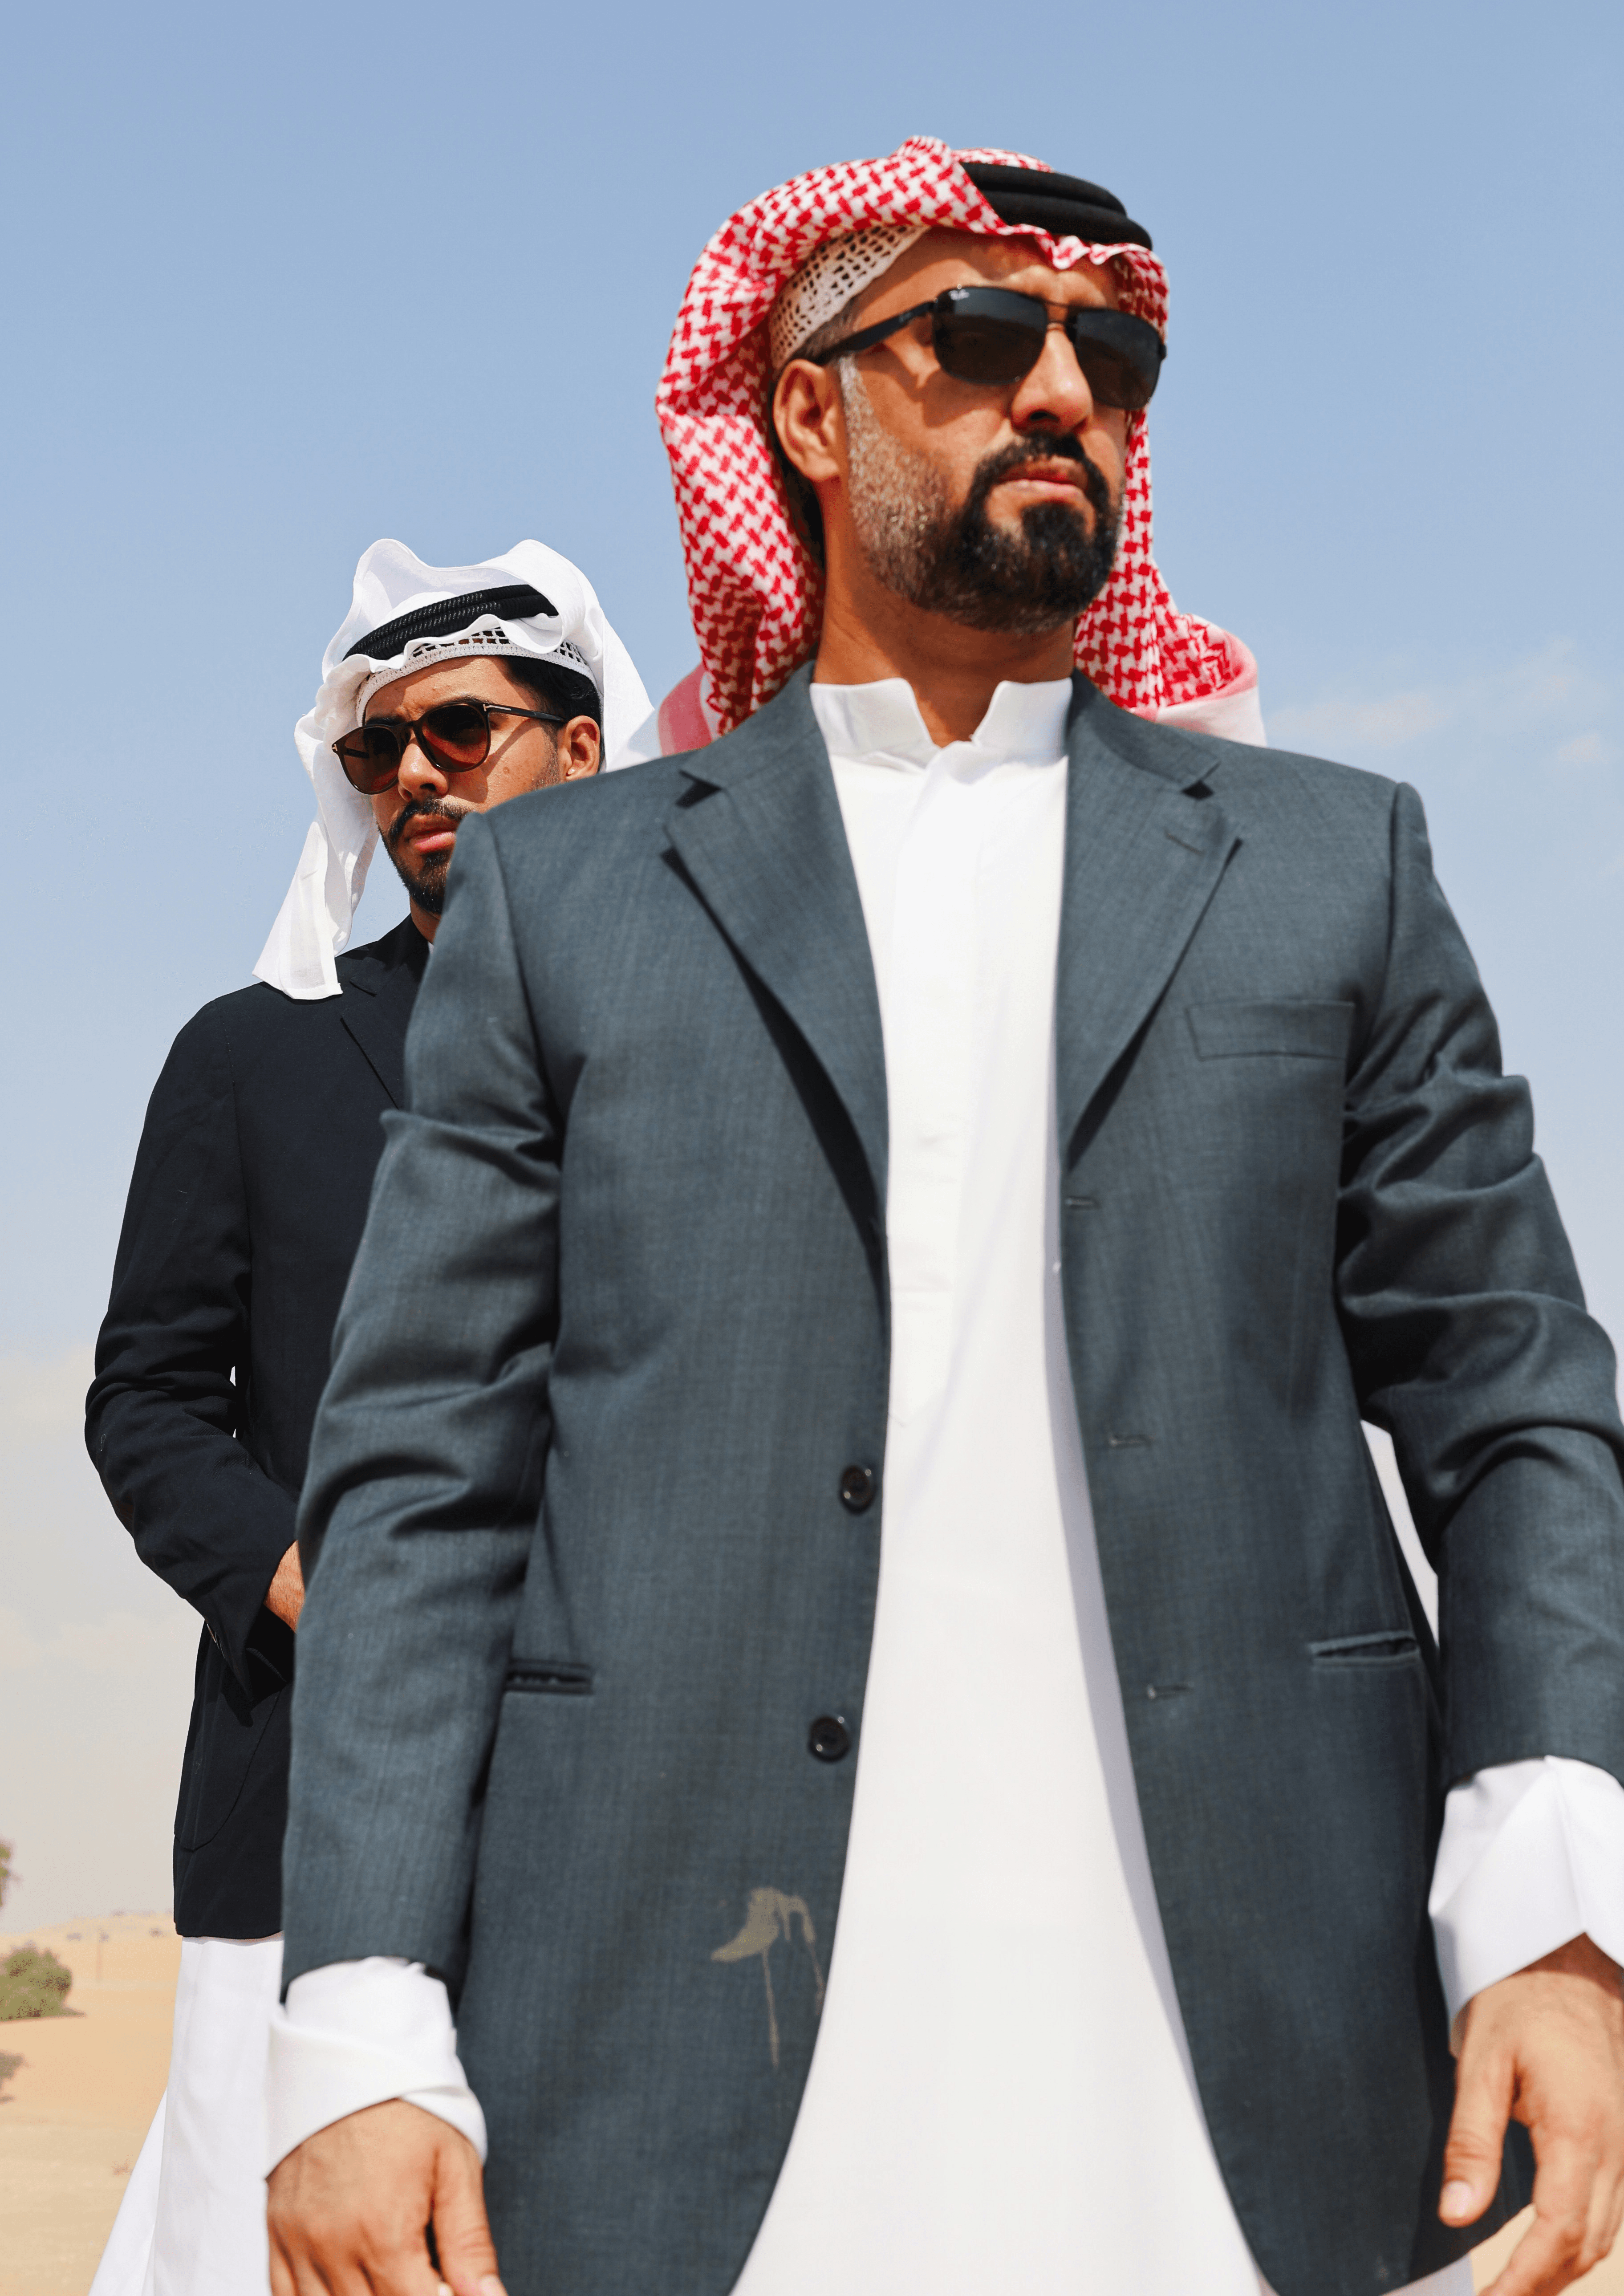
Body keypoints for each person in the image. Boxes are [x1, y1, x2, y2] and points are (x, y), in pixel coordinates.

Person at [267, 143, 1624, 2296]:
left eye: (1117, 350)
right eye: (982, 338)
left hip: (1258, 2035)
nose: (1064, 386)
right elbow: (426, 1479)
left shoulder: (1326, 867)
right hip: (691, 2023)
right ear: (804, 411)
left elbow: (1518, 1400)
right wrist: (354, 2015)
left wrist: (1554, 1914)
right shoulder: (568, 897)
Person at [84, 539, 649, 2296]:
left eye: (461, 730)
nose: (412, 770)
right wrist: (294, 1569)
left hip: (634, 1803)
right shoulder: (254, 1056)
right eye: (375, 749)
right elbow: (152, 1397)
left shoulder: (697, 1045)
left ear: (583, 743)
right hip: (306, 1801)